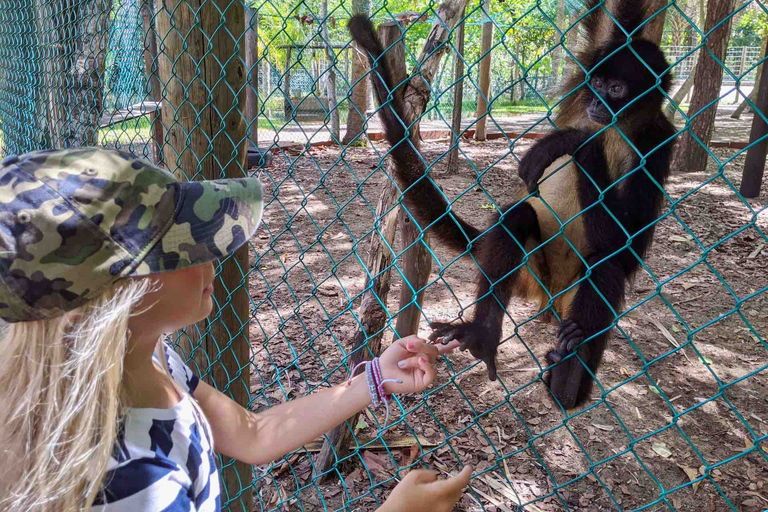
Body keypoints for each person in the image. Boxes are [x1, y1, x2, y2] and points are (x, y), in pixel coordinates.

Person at [0, 148, 473, 512]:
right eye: (181, 248)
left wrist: (373, 380)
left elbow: (253, 435)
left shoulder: (145, 358)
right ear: (110, 298)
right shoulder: (130, 480)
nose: (212, 254)